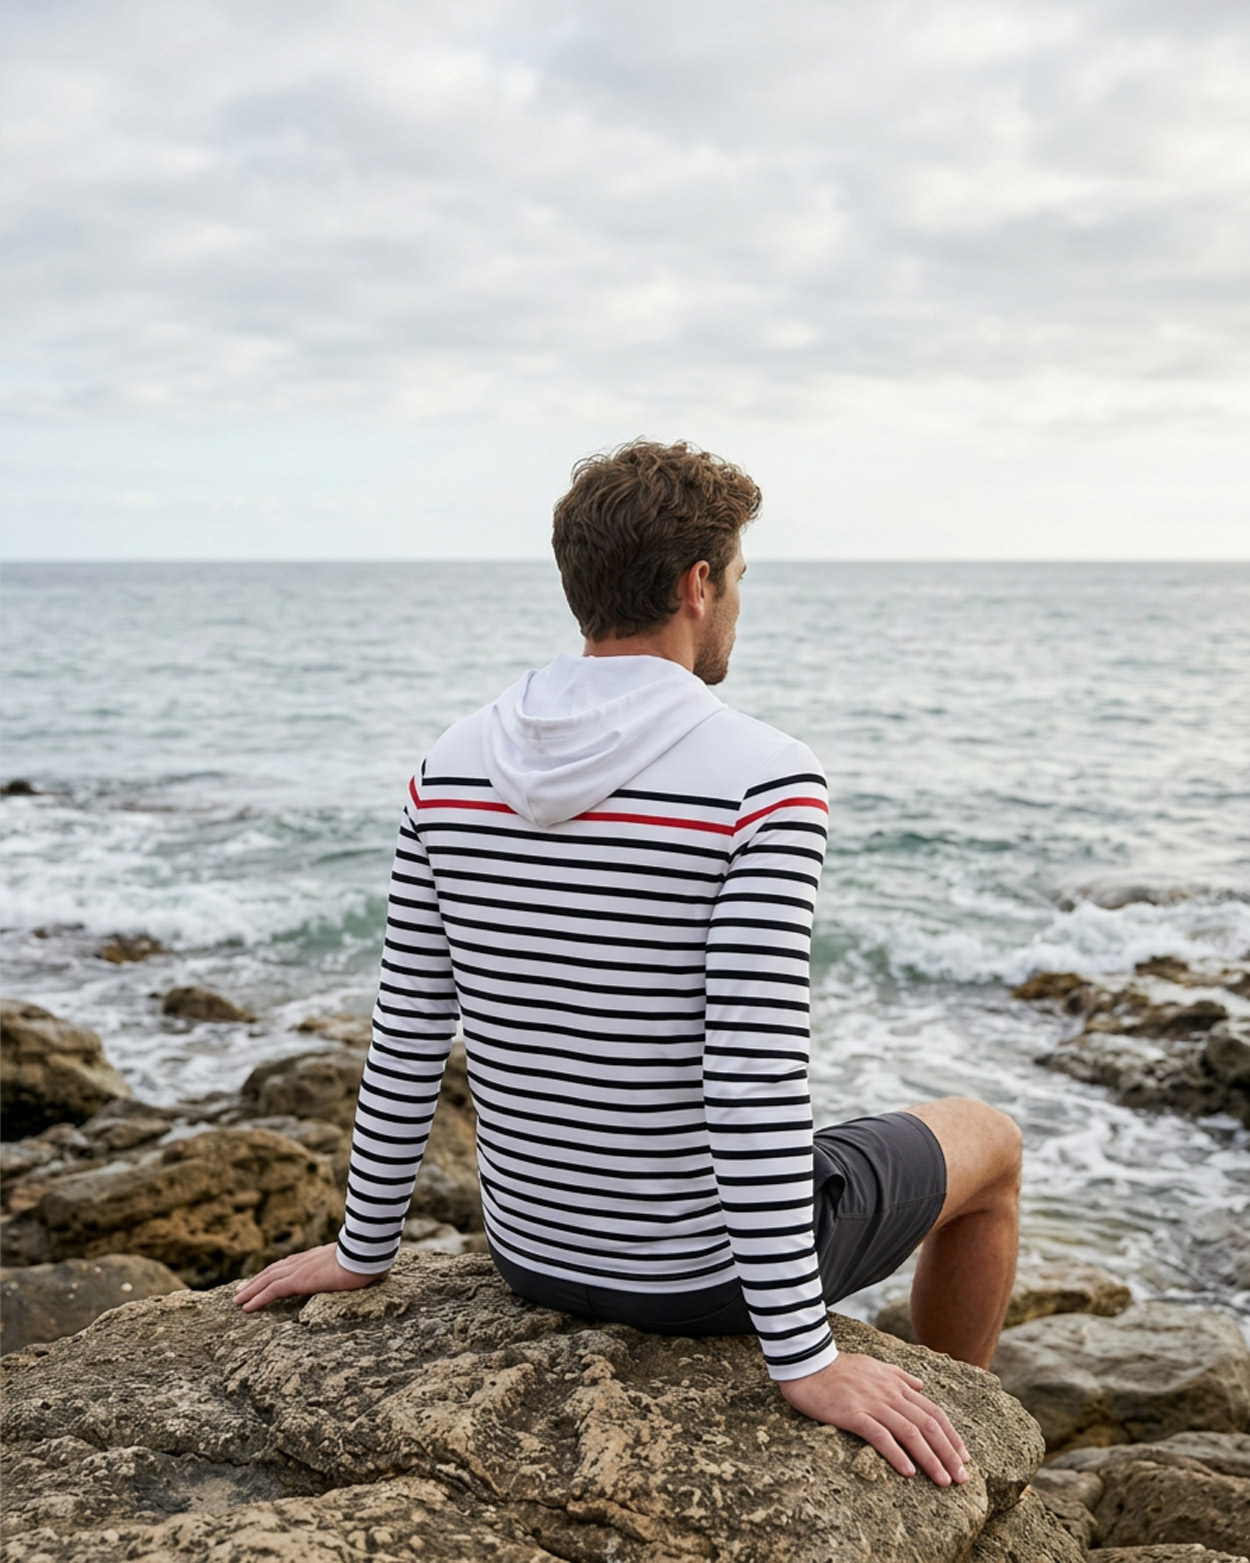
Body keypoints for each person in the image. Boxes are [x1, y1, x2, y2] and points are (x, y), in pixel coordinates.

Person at [234, 439, 1022, 1490]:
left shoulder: (447, 766)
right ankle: (948, 1429)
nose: (738, 602)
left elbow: (410, 1027)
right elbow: (744, 1078)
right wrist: (806, 1357)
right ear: (697, 586)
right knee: (990, 1142)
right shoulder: (765, 778)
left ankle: (912, 1395)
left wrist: (362, 1250)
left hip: (532, 1256)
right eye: (738, 579)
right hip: (701, 1277)